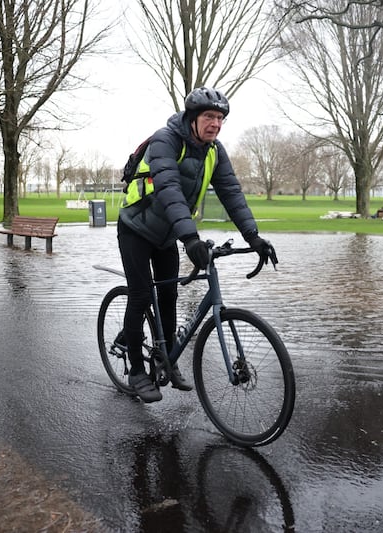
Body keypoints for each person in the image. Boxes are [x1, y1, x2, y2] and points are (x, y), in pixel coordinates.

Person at [117, 86, 277, 403]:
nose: (215, 124)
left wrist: (253, 237)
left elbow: (232, 193)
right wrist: (190, 238)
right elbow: (169, 188)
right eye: (209, 116)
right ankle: (136, 370)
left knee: (169, 294)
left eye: (220, 118)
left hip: (167, 234)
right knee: (140, 295)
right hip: (136, 228)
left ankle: (166, 358)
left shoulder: (214, 151)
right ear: (192, 117)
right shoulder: (166, 140)